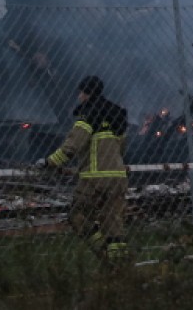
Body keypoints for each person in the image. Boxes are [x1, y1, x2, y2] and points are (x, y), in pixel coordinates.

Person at [35, 76, 129, 263]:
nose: (79, 97)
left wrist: (50, 163)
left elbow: (72, 146)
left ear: (86, 93)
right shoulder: (117, 116)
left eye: (80, 93)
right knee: (113, 223)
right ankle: (119, 265)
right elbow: (122, 148)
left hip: (94, 178)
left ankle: (102, 251)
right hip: (118, 176)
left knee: (77, 216)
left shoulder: (88, 115)